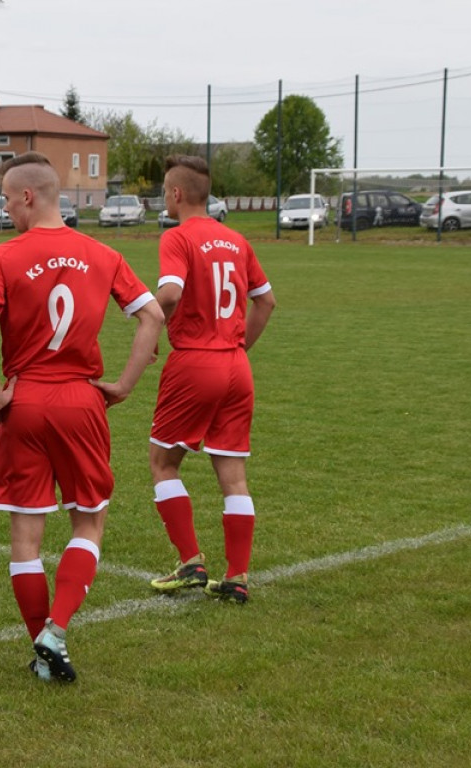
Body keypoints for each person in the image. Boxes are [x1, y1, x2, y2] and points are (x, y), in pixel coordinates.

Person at [0, 152, 163, 683]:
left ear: (28, 196)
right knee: (89, 521)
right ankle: (57, 629)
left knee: (25, 538)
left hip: (24, 401)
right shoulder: (102, 253)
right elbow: (153, 316)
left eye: (6, 198)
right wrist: (122, 384)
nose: (5, 209)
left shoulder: (4, 256)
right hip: (81, 401)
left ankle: (41, 650)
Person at [147, 155, 275, 604]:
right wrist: (237, 348)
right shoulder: (237, 240)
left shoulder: (177, 238)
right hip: (236, 366)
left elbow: (169, 294)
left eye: (165, 190)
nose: (165, 196)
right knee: (233, 475)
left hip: (195, 362)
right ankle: (237, 576)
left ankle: (191, 563)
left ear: (177, 194)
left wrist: (149, 328)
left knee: (163, 462)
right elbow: (267, 302)